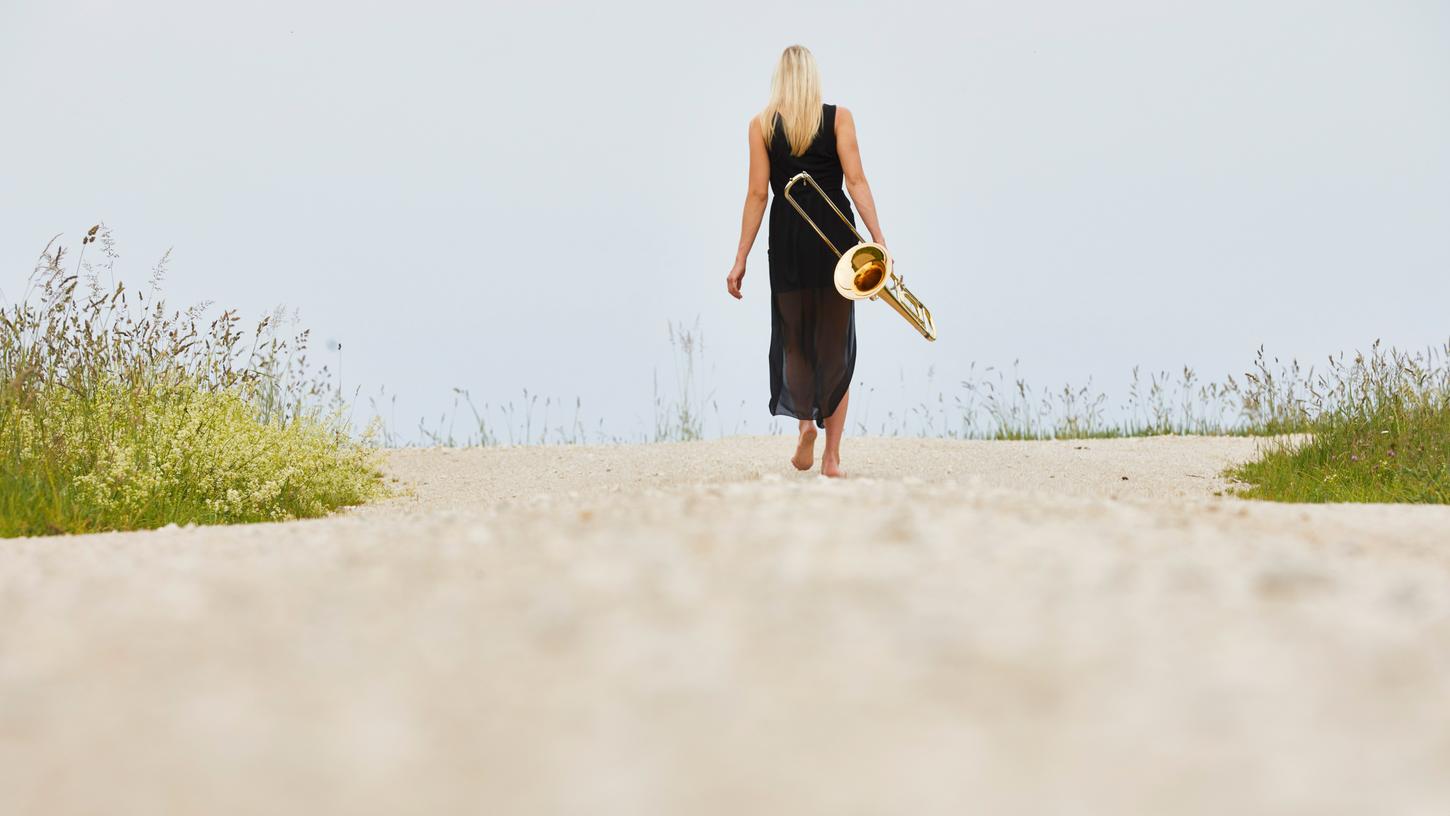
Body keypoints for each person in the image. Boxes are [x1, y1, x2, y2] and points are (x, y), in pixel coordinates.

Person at [726, 44, 888, 479]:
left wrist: (740, 257)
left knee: (795, 338)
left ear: (778, 79)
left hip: (791, 236)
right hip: (836, 238)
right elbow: (856, 181)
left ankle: (804, 429)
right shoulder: (839, 118)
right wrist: (879, 240)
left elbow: (758, 194)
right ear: (815, 78)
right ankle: (832, 458)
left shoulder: (761, 125)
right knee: (836, 342)